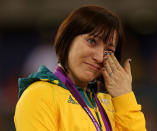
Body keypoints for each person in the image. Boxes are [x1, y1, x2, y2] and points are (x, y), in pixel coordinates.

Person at [14, 5, 146, 131]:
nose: (100, 57)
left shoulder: (107, 103)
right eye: (92, 41)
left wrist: (124, 98)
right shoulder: (39, 95)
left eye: (109, 51)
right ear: (68, 39)